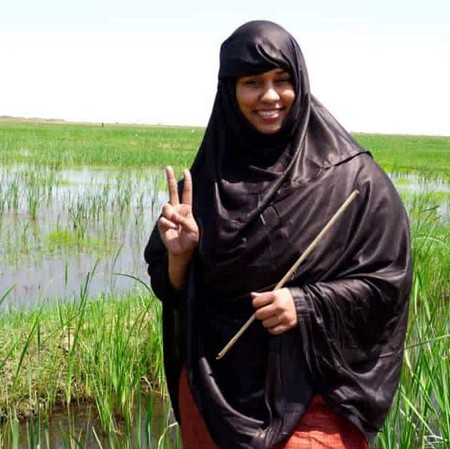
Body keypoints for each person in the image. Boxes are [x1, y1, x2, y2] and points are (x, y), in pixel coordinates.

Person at [144, 20, 412, 449]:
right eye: (252, 82)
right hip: (210, 396)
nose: (269, 96)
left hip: (314, 402)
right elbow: (172, 290)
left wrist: (306, 304)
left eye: (281, 80)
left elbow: (388, 285)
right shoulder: (204, 186)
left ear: (299, 83)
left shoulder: (354, 182)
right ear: (229, 90)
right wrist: (181, 258)